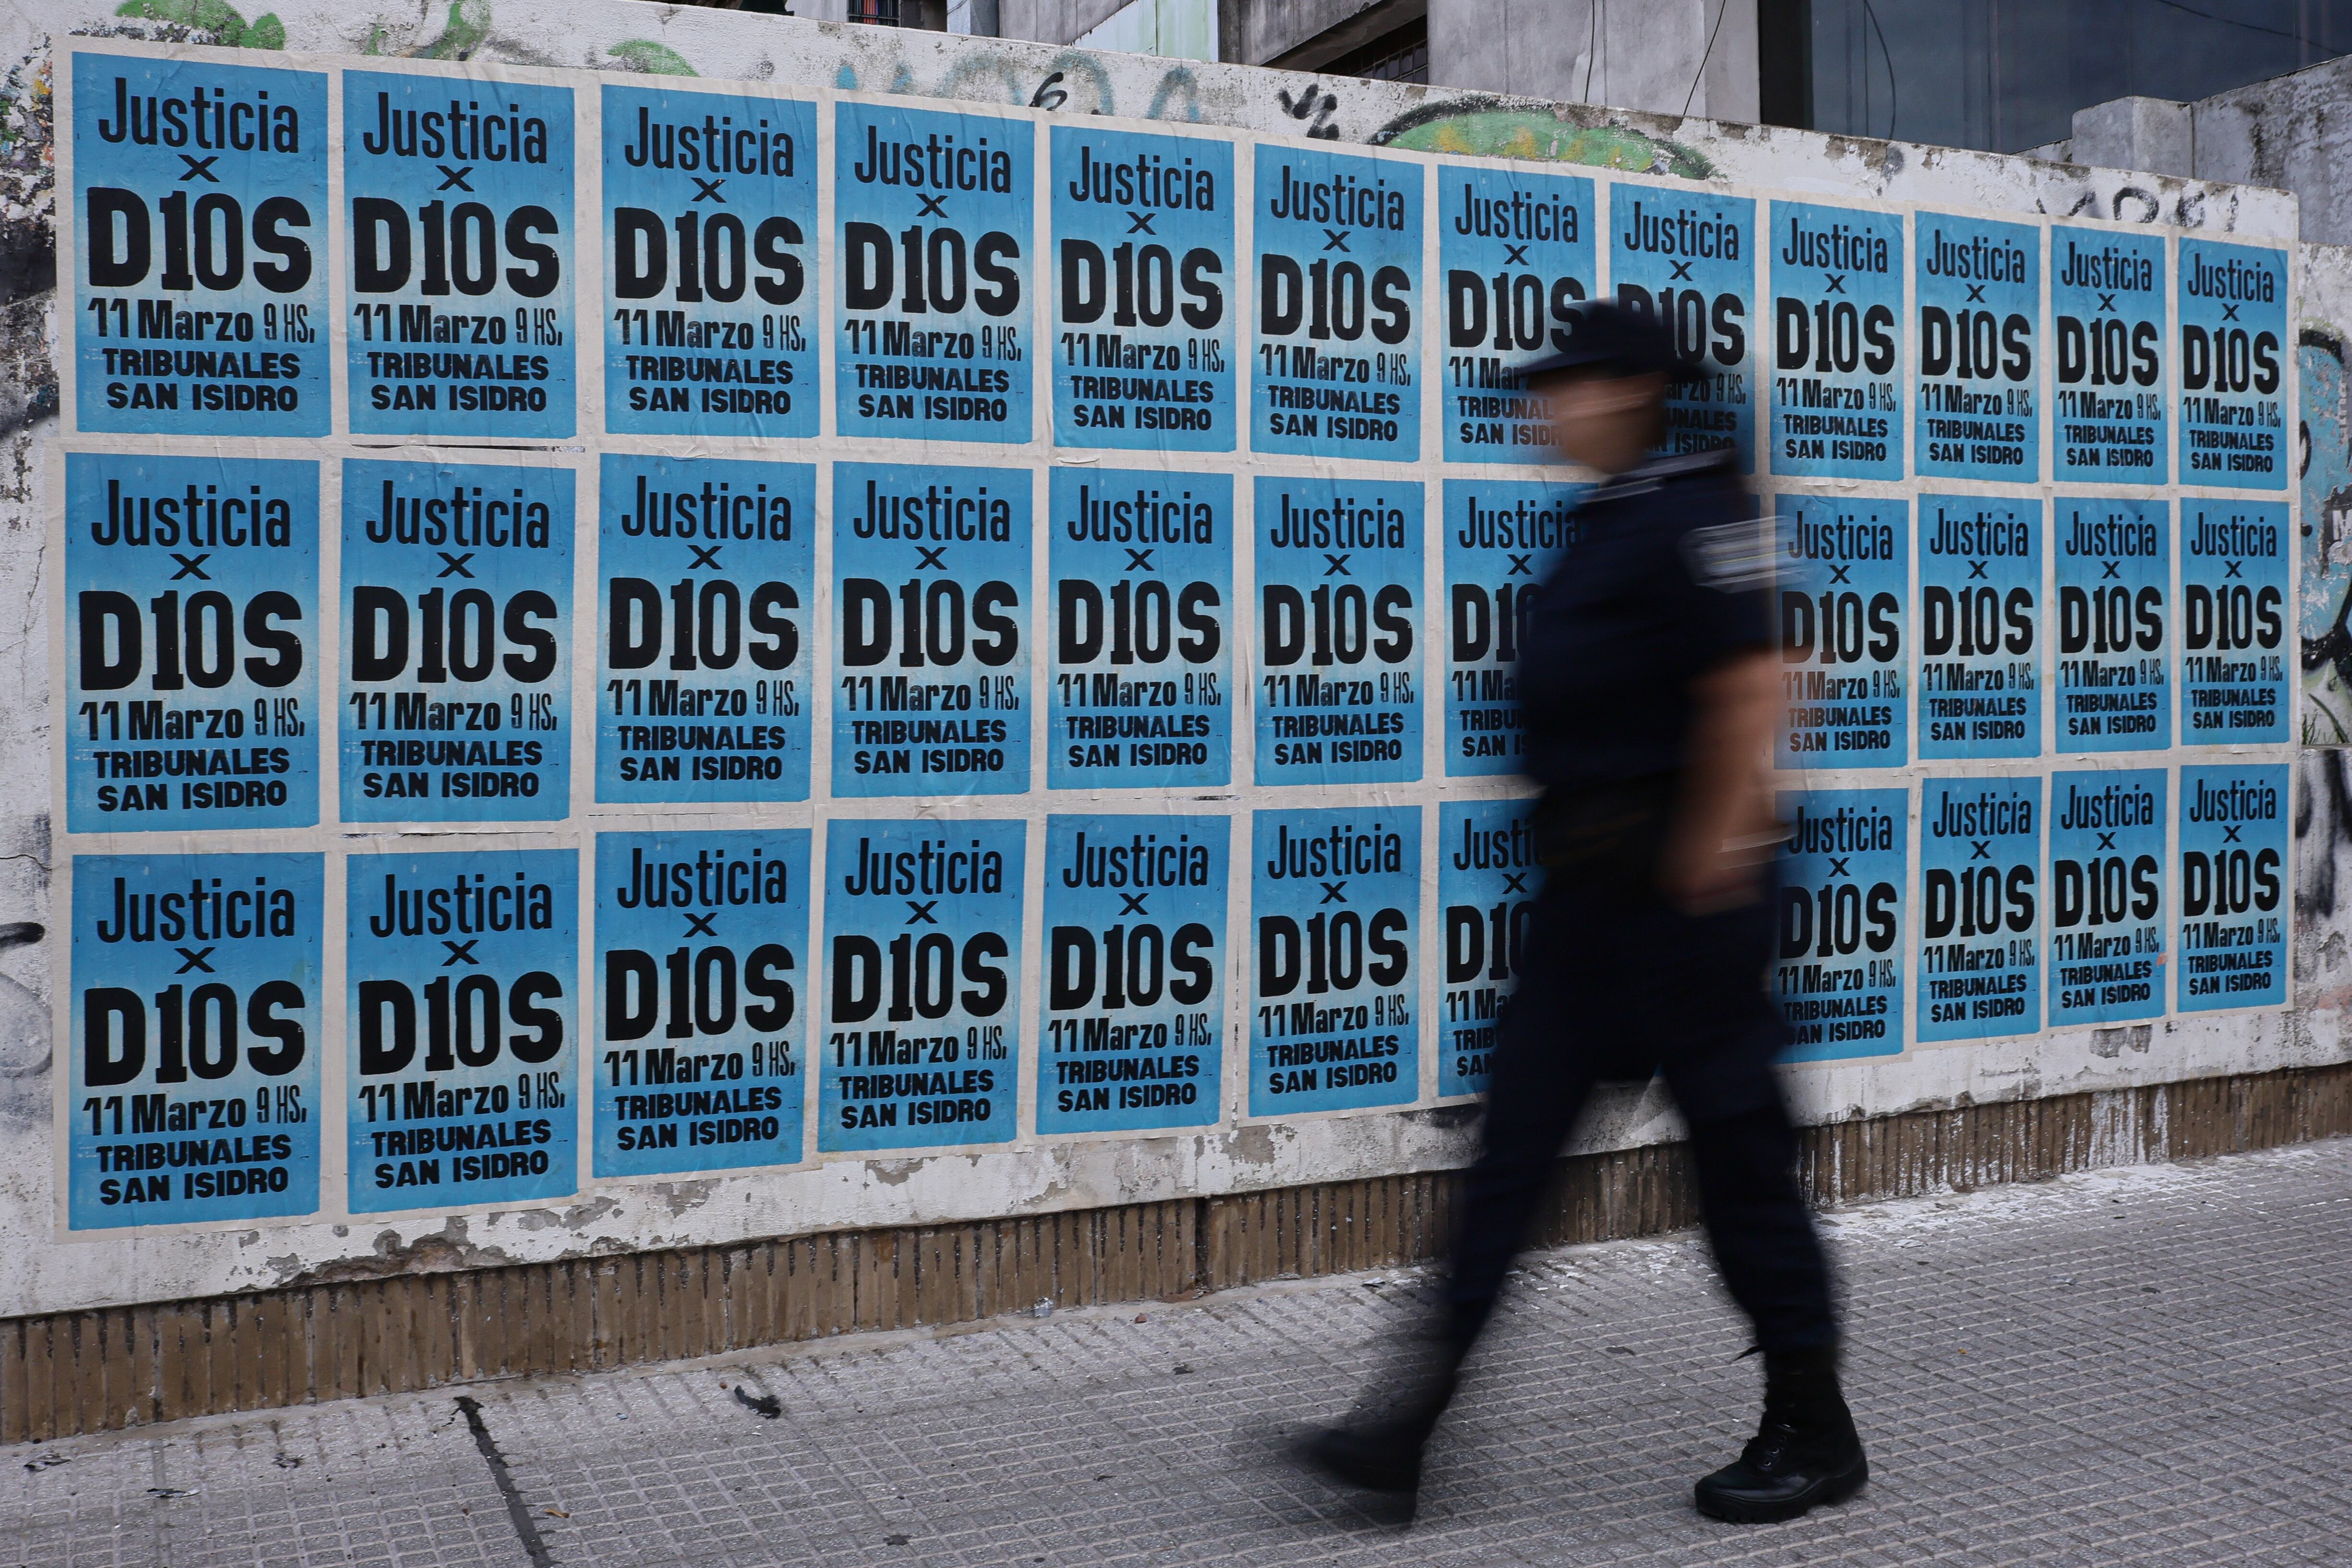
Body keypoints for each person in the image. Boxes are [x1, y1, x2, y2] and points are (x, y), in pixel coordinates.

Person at [1292, 304, 1867, 1525]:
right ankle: (1405, 1431)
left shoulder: (1701, 512)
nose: (1541, 405)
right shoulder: (1603, 520)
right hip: (1588, 909)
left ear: (1628, 388)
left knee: (1739, 1172)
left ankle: (1814, 1429)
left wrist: (1709, 865)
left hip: (1683, 906)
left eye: (1563, 386)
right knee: (1508, 1162)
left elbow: (1763, 685)